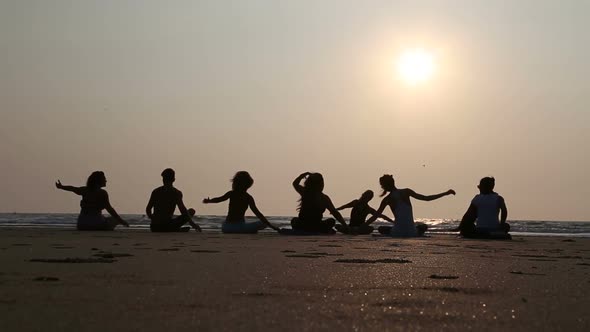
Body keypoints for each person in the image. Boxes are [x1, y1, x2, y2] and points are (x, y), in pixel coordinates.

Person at [365, 174, 455, 237]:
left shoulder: (386, 199)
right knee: (423, 226)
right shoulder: (406, 191)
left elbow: (376, 215)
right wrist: (445, 193)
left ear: (384, 186)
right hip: (412, 232)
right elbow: (426, 198)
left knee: (381, 228)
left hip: (397, 232)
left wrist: (364, 225)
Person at [203, 171, 279, 233]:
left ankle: (248, 230)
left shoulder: (231, 193)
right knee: (262, 223)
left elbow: (219, 199)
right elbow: (258, 213)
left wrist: (209, 201)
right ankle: (248, 231)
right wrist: (272, 226)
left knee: (249, 226)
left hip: (226, 227)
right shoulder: (248, 197)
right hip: (239, 227)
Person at [55, 171, 129, 231]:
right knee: (114, 220)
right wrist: (122, 221)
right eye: (104, 179)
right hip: (96, 224)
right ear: (99, 181)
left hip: (82, 224)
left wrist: (61, 187)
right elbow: (110, 209)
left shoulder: (84, 190)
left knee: (105, 218)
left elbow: (72, 188)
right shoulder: (102, 193)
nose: (106, 180)